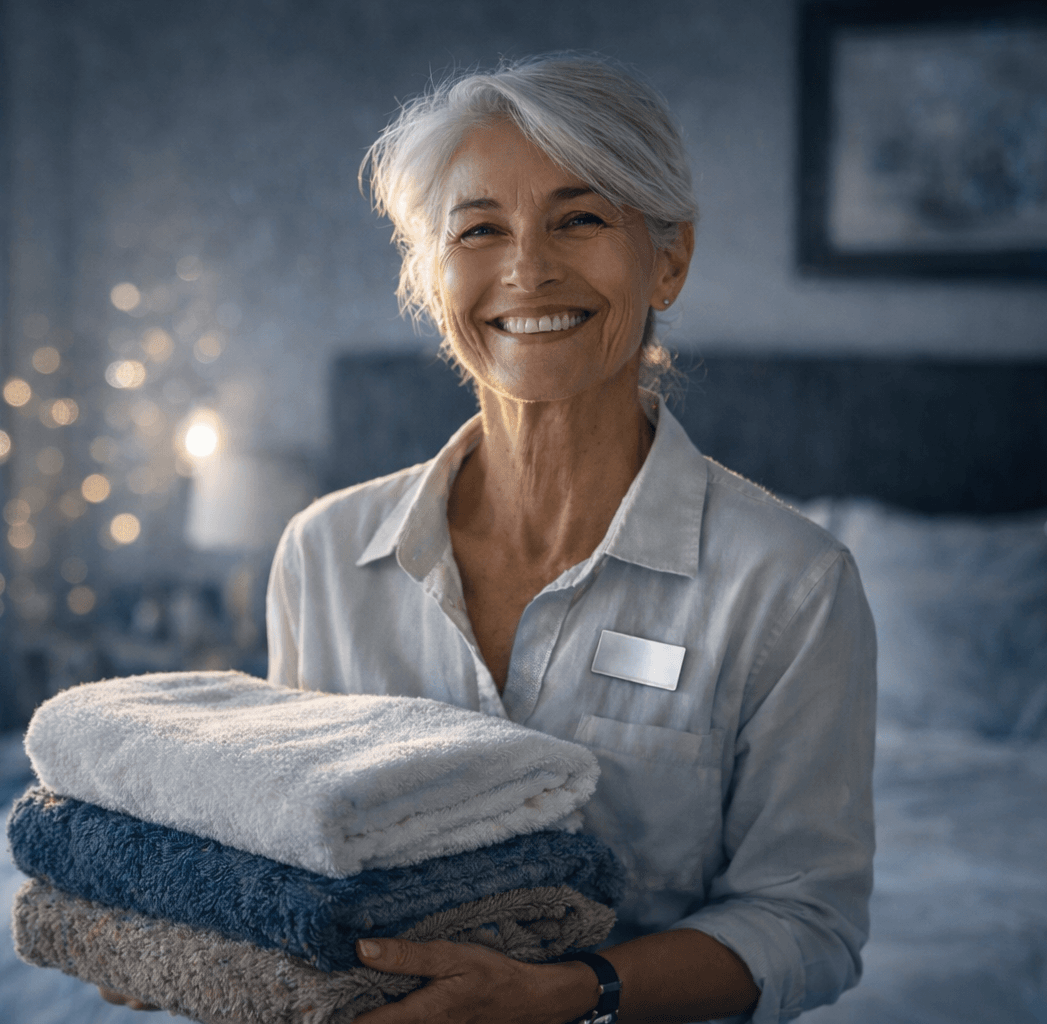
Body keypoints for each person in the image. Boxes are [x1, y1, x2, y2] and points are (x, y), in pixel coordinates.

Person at [263, 55, 877, 1024]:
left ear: (666, 258)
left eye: (580, 218)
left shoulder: (791, 585)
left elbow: (807, 920)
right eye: (478, 230)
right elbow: (290, 857)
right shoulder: (321, 555)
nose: (528, 269)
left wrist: (568, 996)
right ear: (427, 276)